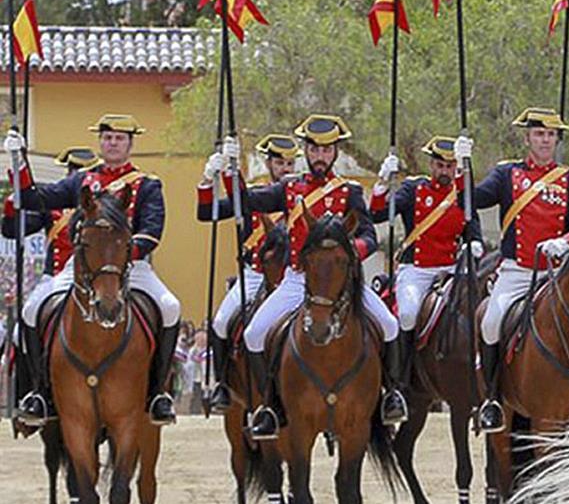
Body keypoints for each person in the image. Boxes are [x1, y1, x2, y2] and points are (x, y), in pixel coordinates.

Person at [233, 115, 403, 440]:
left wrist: (351, 251)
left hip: (343, 282)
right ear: (305, 151)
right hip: (298, 278)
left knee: (390, 324)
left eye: (327, 150)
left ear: (336, 152)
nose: (320, 157)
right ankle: (271, 406)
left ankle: (389, 394)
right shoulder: (288, 188)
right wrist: (230, 173)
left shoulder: (350, 191)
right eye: (314, 149)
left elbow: (369, 233)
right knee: (254, 333)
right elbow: (246, 202)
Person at [8, 115, 181, 426]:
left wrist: (124, 256)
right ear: (100, 142)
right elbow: (35, 198)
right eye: (108, 138)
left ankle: (157, 393)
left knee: (170, 307)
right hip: (83, 267)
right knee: (32, 309)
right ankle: (40, 392)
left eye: (119, 138)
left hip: (131, 265)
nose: (113, 143)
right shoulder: (81, 180)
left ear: (130, 143)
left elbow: (153, 230)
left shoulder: (147, 184)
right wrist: (18, 162)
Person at [467, 107, 569, 433]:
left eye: (550, 135)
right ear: (527, 138)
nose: (545, 140)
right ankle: (492, 399)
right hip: (517, 271)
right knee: (491, 323)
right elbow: (473, 199)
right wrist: (462, 169)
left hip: (557, 273)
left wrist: (566, 241)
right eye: (539, 134)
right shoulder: (506, 174)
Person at [370, 136, 481, 409]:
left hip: (452, 268)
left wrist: (474, 242)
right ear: (431, 165)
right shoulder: (413, 189)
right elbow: (377, 214)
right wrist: (383, 182)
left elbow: (472, 225)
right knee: (407, 313)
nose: (444, 171)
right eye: (439, 165)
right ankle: (401, 379)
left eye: (450, 166)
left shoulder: (462, 192)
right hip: (417, 269)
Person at [196, 133, 298, 412]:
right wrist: (211, 179)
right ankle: (222, 385)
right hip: (254, 274)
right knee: (220, 322)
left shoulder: (304, 197)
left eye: (290, 163)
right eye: (279, 163)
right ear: (268, 164)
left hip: (293, 275)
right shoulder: (254, 196)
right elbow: (207, 213)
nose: (285, 169)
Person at [3, 147, 101, 419]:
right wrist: (14, 207)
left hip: (98, 277)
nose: (75, 176)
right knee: (22, 327)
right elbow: (14, 231)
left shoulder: (103, 203)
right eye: (71, 171)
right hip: (56, 277)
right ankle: (35, 391)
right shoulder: (53, 207)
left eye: (80, 172)